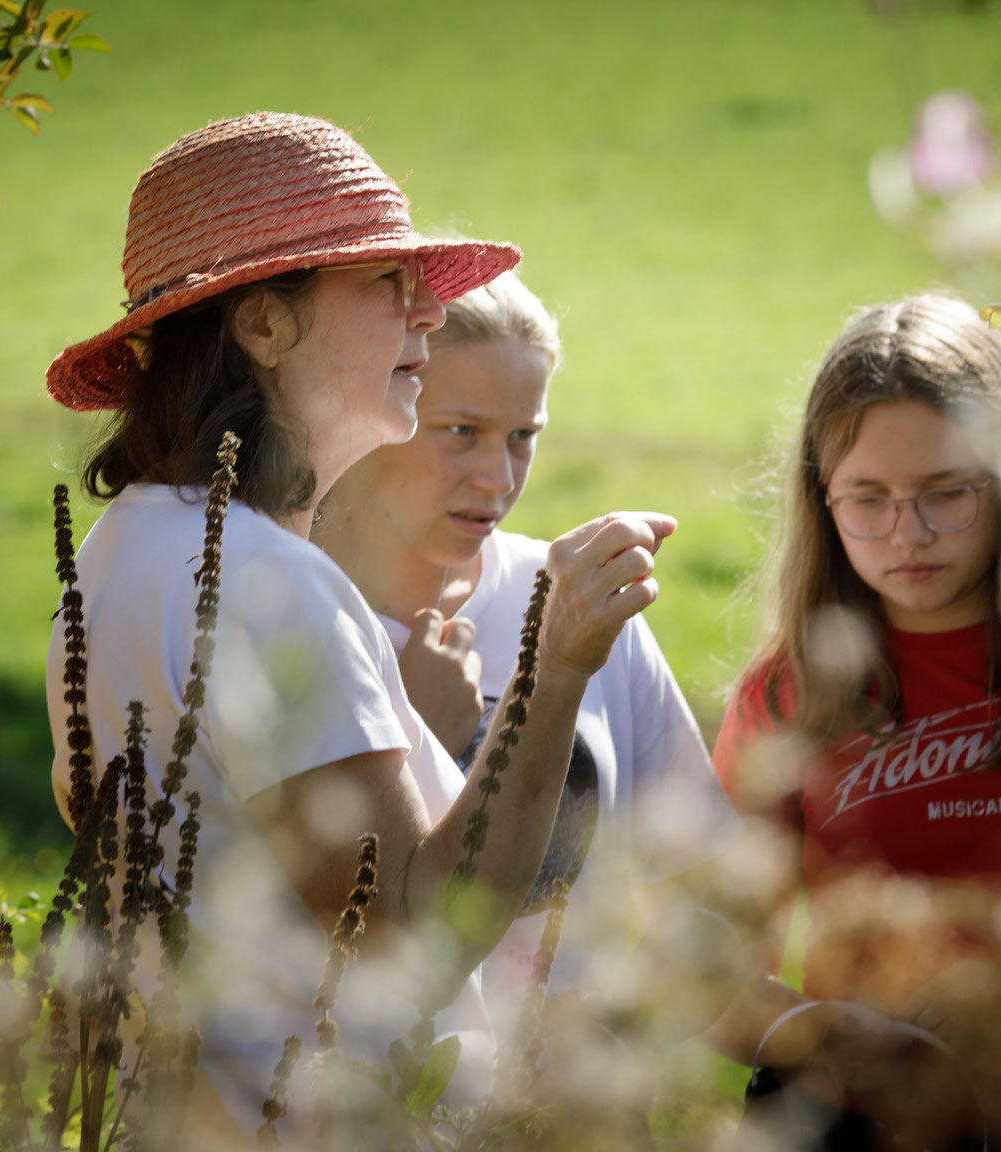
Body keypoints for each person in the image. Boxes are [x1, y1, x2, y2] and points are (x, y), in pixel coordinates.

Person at [41, 112, 674, 1143]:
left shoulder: (123, 547)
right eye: (384, 280)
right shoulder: (266, 578)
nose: (427, 310)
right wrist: (553, 664)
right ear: (264, 325)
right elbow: (414, 929)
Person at [707, 294, 1001, 1149]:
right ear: (821, 500)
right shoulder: (790, 694)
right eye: (868, 499)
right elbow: (709, 975)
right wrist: (850, 1042)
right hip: (860, 1126)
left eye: (946, 493)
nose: (910, 533)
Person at [313, 269, 741, 1027]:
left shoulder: (578, 603)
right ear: (381, 409)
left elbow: (710, 877)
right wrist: (414, 740)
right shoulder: (302, 621)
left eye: (523, 437)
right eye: (461, 432)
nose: (497, 476)